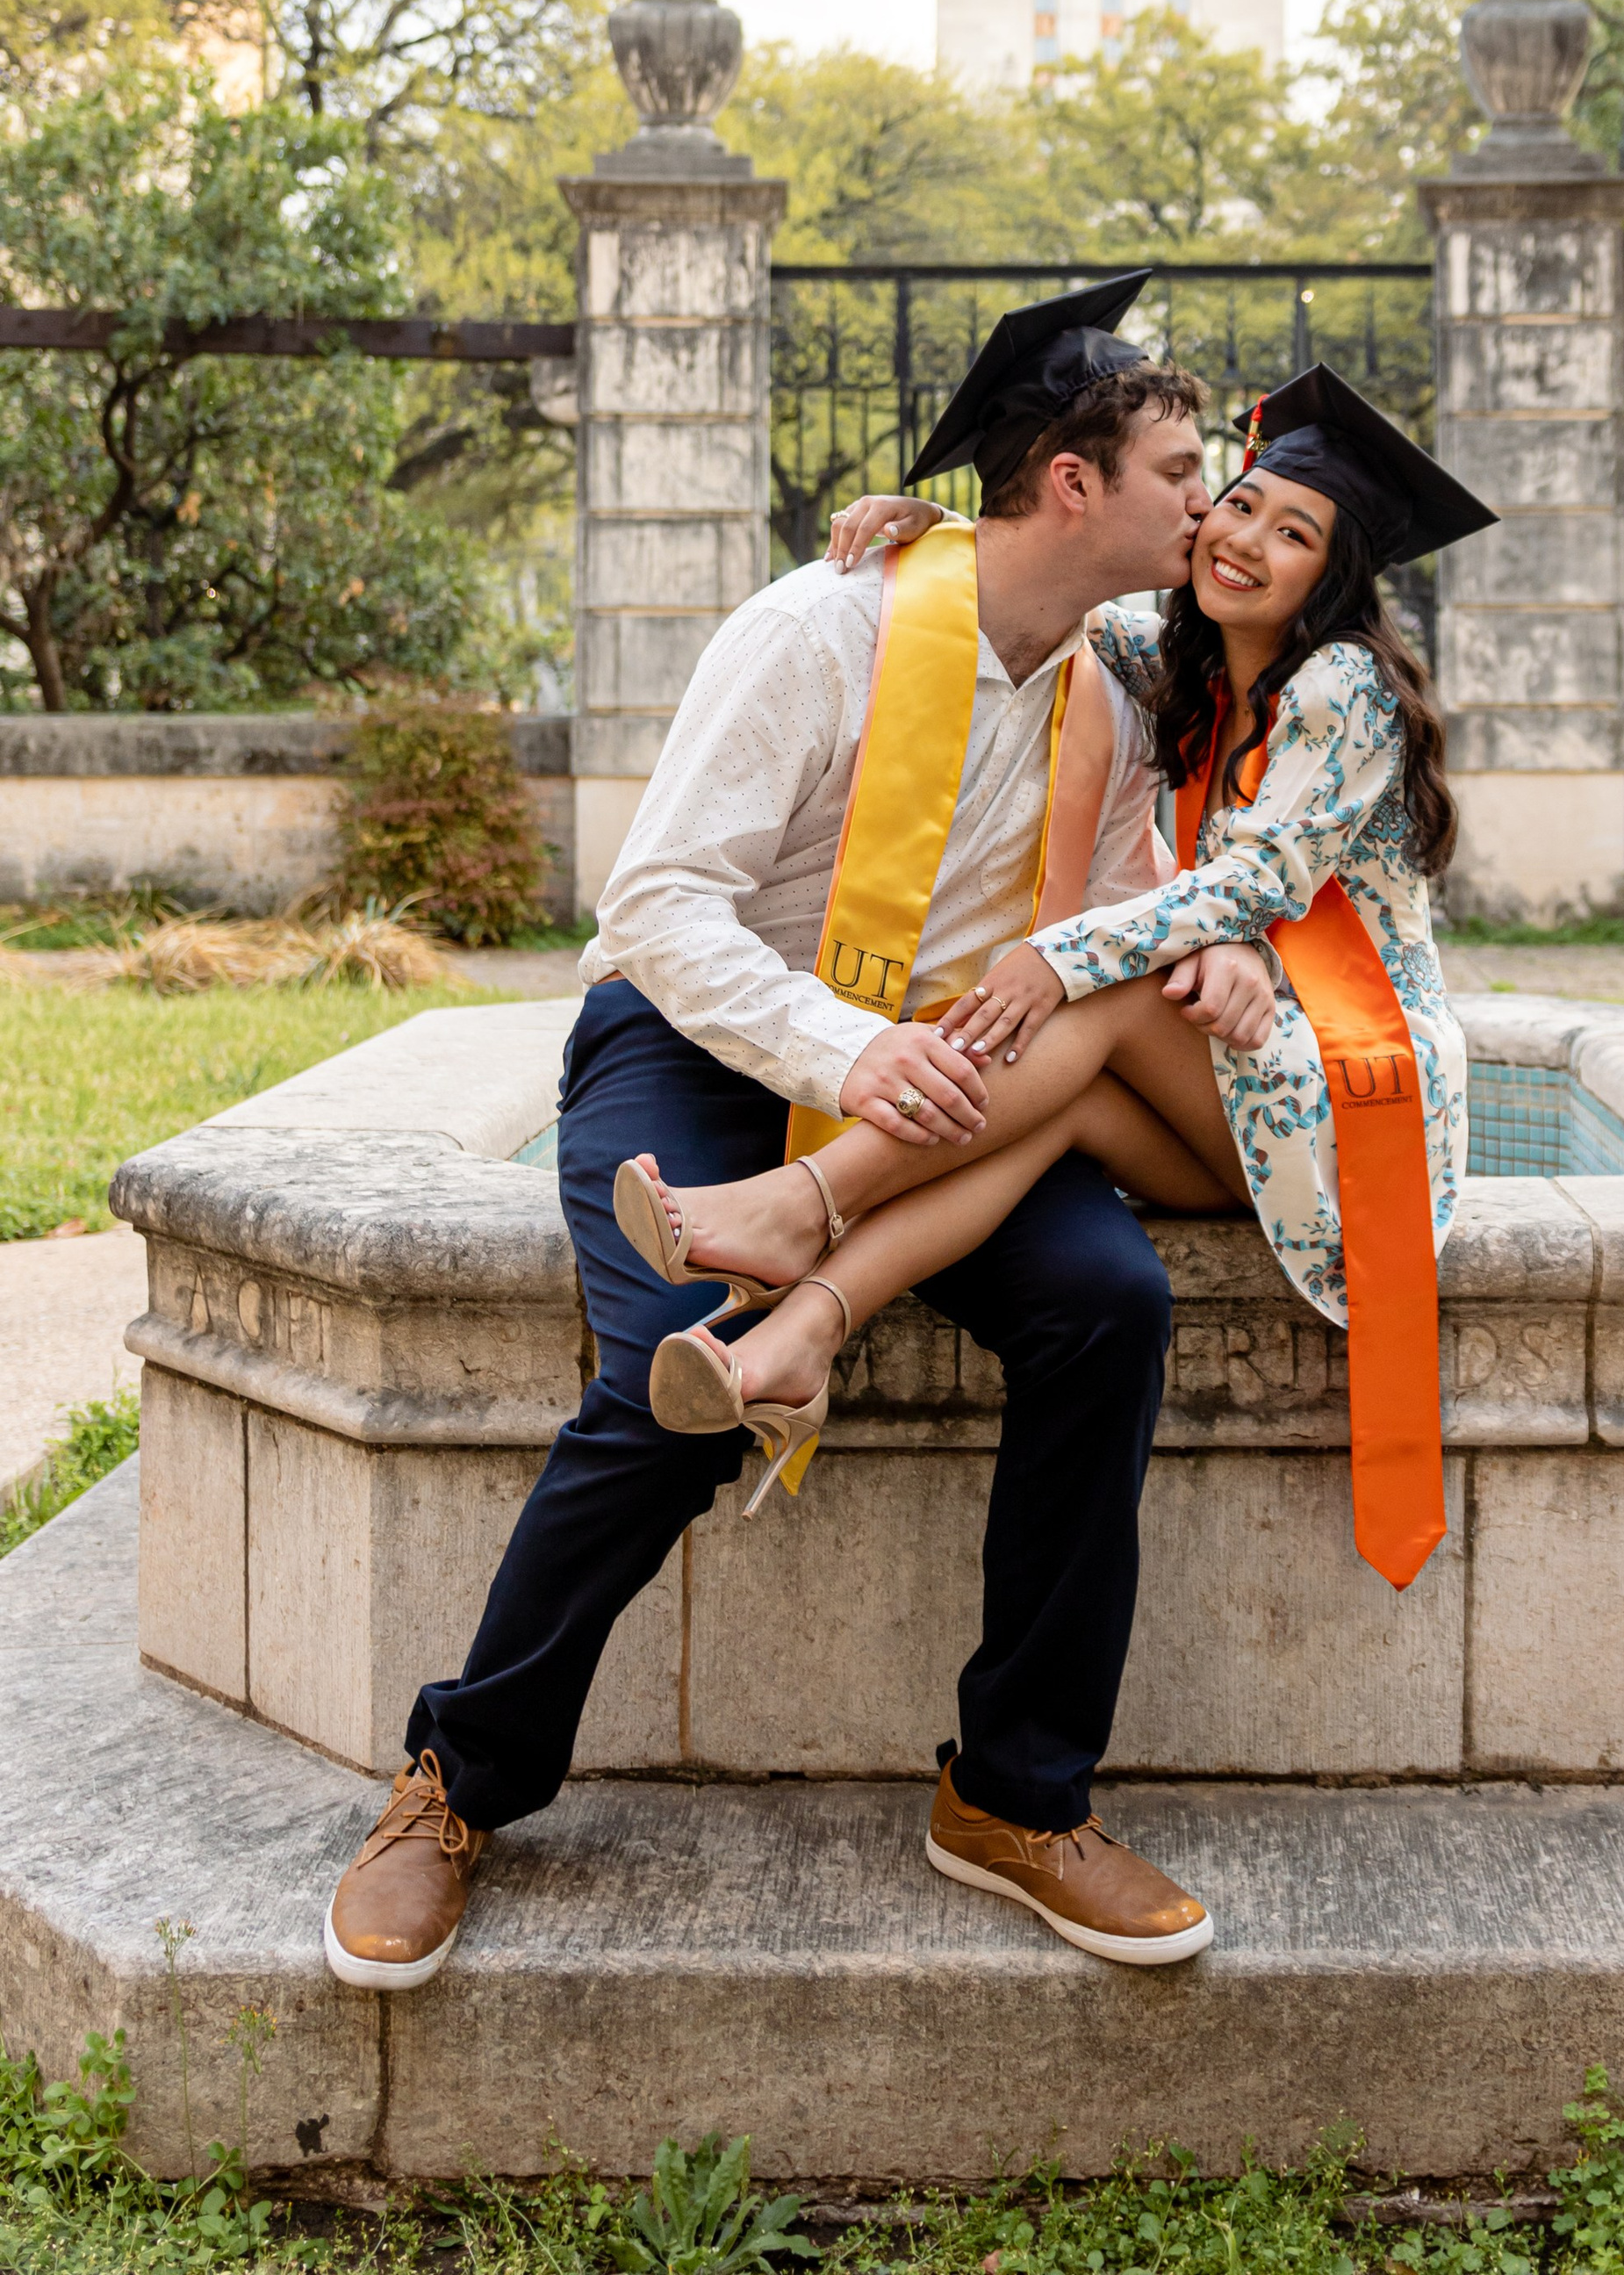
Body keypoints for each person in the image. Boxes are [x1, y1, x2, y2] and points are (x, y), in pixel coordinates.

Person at [322, 277, 1272, 1995]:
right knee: (681, 1370)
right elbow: (661, 906)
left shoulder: (1109, 693)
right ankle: (456, 1778)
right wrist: (851, 1046)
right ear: (1073, 485)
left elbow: (1106, 913)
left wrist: (1194, 940)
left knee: (1107, 1306)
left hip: (928, 1088)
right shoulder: (817, 630)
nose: (1202, 501)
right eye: (1179, 470)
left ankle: (1014, 1791)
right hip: (697, 1040)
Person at [633, 363, 1497, 1609]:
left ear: (1336, 576)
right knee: (1060, 1102)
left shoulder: (1343, 688)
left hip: (1351, 1108)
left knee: (1090, 1001)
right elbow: (1039, 588)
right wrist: (932, 531)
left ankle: (802, 1199)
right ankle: (808, 1324)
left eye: (1292, 531)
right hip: (1237, 1079)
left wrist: (1053, 954)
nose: (1238, 533)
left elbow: (1248, 884)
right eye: (1237, 500)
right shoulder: (1180, 651)